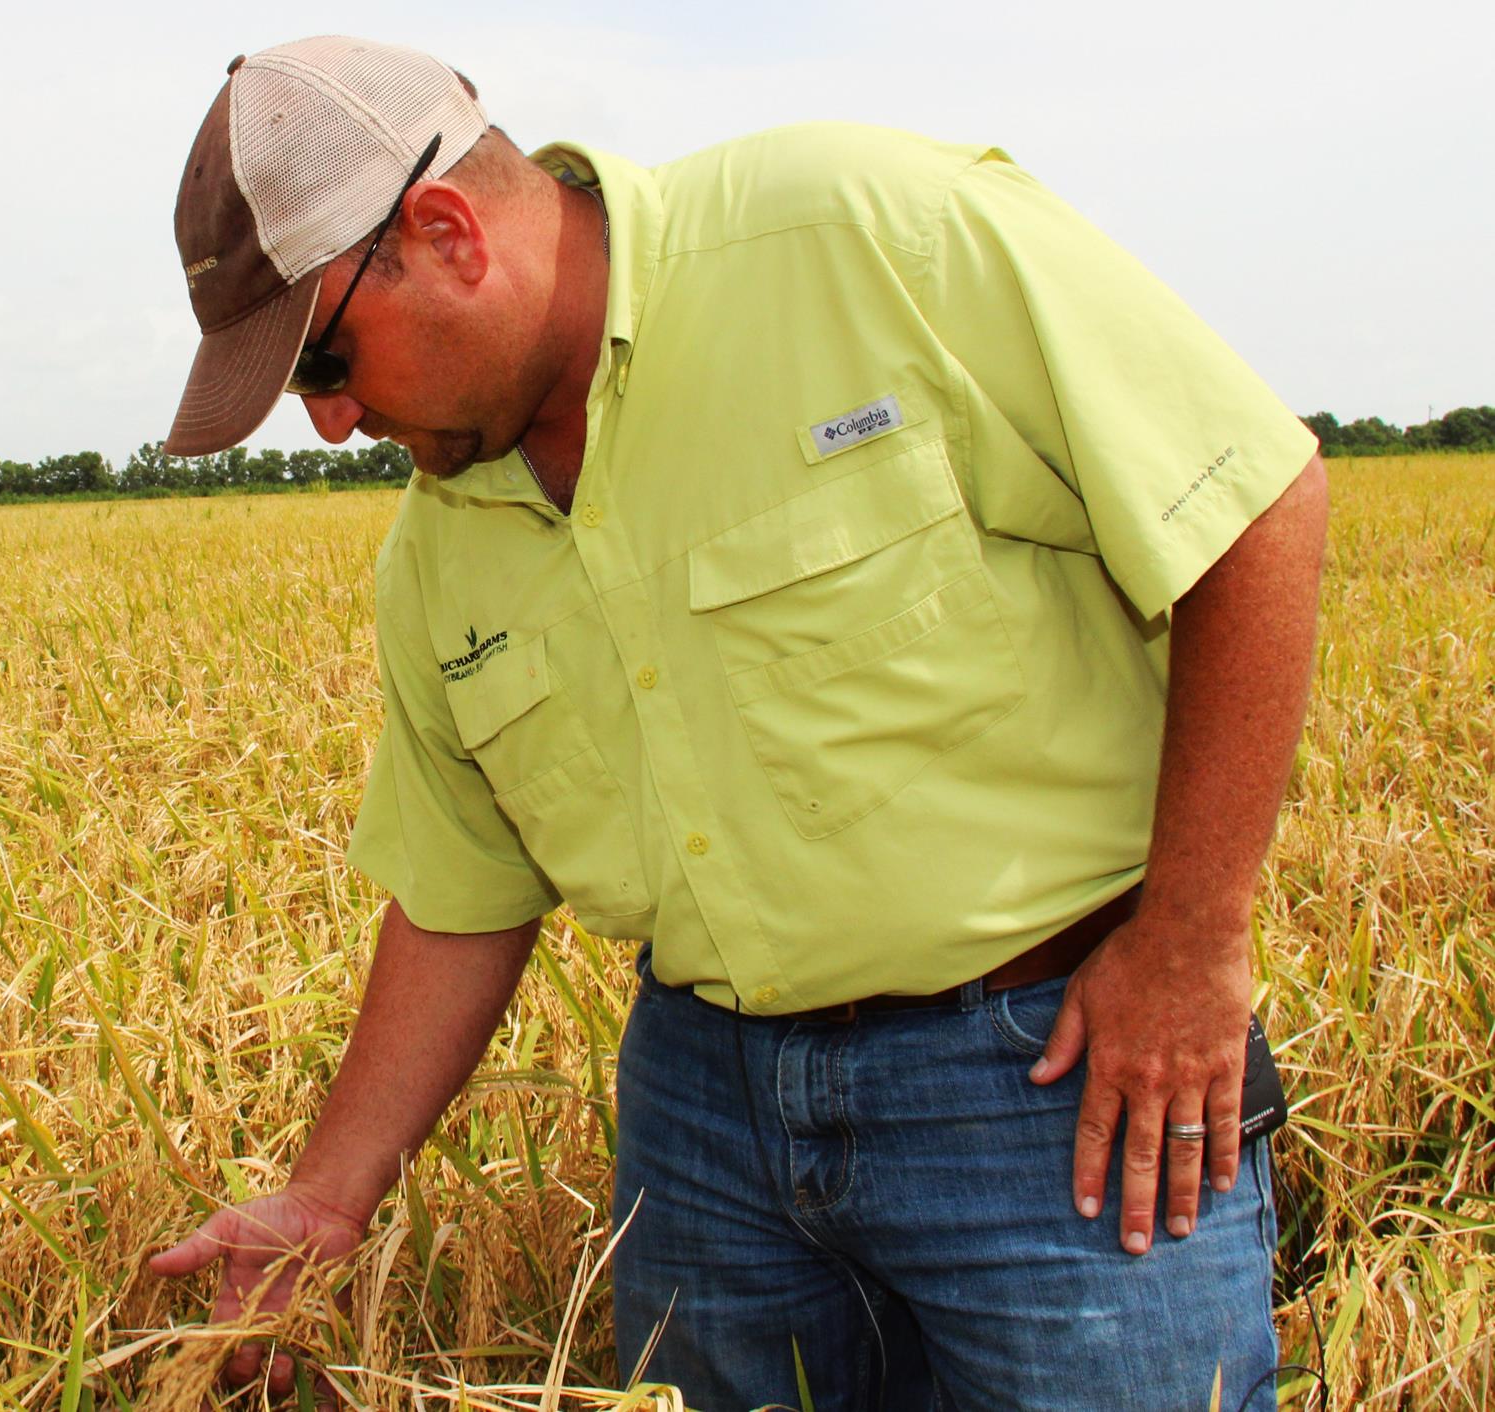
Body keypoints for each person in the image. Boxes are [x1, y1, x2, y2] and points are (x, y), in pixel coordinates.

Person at [146, 34, 1326, 1412]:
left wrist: (1190, 941)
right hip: (705, 1121)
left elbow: (1252, 504)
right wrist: (324, 1200)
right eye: (302, 393)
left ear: (448, 231)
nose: (334, 422)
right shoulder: (436, 549)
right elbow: (462, 894)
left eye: (327, 360)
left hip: (1048, 1087)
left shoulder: (866, 237)